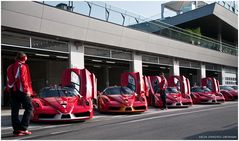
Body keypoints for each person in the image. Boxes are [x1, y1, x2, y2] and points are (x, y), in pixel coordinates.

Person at [6, 52, 33, 136]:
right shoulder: (22, 66)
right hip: (21, 91)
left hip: (12, 91)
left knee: (14, 110)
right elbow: (23, 80)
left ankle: (16, 130)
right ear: (24, 58)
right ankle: (23, 128)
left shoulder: (9, 67)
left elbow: (8, 80)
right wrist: (27, 91)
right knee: (29, 108)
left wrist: (9, 89)